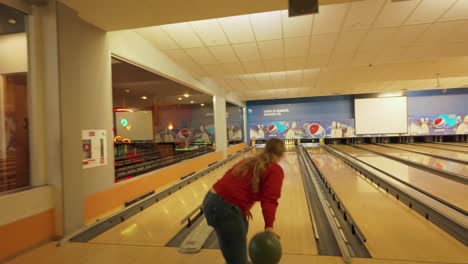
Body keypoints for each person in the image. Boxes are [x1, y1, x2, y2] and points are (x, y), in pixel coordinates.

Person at [202, 138, 286, 264]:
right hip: (225, 207)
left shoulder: (250, 160)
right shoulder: (275, 170)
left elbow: (229, 177)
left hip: (212, 200)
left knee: (242, 229)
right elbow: (270, 200)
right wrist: (269, 226)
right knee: (237, 259)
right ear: (281, 155)